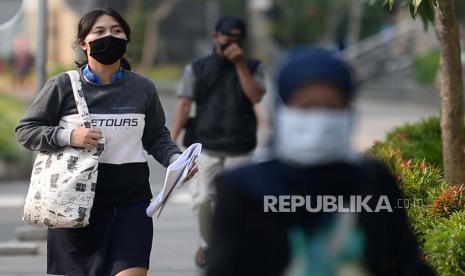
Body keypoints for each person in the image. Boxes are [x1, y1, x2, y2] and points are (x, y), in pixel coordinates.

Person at [206, 48, 435, 276]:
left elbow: (404, 263)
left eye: (332, 108)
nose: (319, 118)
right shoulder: (242, 189)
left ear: (349, 111)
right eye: (305, 107)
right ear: (279, 111)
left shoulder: (372, 180)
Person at [15, 8, 193, 276]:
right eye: (99, 32)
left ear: (126, 40)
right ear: (84, 44)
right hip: (74, 203)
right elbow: (26, 130)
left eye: (116, 31)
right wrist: (69, 136)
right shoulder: (62, 86)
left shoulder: (143, 88)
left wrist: (176, 160)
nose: (109, 36)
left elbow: (156, 136)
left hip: (131, 203)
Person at [170, 16, 266, 267]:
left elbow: (255, 96)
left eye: (237, 39)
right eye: (227, 37)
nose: (231, 43)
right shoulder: (198, 68)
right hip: (206, 143)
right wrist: (172, 138)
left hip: (241, 145)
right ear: (215, 36)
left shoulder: (253, 67)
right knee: (202, 199)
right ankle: (208, 243)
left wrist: (240, 65)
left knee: (240, 200)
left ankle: (233, 245)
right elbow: (184, 103)